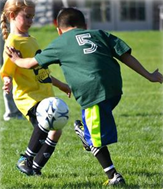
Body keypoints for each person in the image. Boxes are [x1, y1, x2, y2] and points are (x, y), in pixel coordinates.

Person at [6, 7, 163, 185]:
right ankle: (86, 134)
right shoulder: (100, 33)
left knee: (95, 139)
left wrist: (17, 60)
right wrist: (150, 76)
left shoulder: (61, 42)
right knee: (94, 126)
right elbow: (125, 55)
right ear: (85, 25)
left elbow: (31, 64)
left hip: (92, 92)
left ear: (58, 30)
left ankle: (113, 176)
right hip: (114, 90)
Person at [0, 0, 71, 176]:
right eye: (27, 16)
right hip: (28, 96)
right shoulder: (13, 42)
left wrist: (61, 85)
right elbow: (6, 70)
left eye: (33, 16)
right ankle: (26, 159)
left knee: (56, 131)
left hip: (44, 93)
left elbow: (41, 70)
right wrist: (7, 80)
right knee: (45, 123)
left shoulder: (31, 39)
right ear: (12, 16)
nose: (31, 20)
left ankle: (35, 167)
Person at [0, 0, 23, 121]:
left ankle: (17, 110)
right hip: (6, 32)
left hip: (10, 31)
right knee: (8, 73)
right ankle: (12, 112)